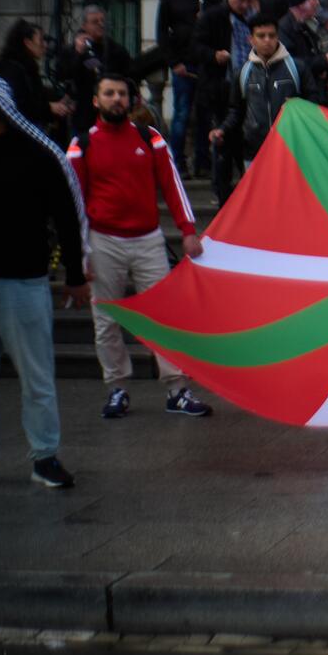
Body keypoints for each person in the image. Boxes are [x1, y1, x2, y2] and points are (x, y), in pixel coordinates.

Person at [0, 75, 89, 492]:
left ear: (1, 104)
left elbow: (65, 216)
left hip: (24, 281)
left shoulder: (37, 153)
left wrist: (75, 276)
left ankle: (45, 456)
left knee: (36, 375)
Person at [70, 73, 211, 421]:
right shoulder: (81, 146)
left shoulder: (150, 139)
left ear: (131, 101)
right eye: (109, 93)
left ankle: (177, 390)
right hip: (103, 242)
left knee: (167, 315)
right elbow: (73, 201)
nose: (116, 99)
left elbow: (173, 185)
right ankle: (117, 388)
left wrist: (188, 230)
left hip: (148, 239)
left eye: (121, 93)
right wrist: (80, 252)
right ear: (96, 101)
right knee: (105, 319)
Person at [213, 13, 307, 194]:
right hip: (254, 150)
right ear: (251, 39)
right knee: (259, 203)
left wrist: (299, 105)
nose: (267, 40)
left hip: (291, 151)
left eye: (271, 35)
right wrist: (222, 129)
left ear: (278, 37)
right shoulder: (243, 73)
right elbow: (236, 110)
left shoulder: (296, 68)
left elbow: (315, 103)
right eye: (261, 36)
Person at [191, 0, 260, 202]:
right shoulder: (213, 16)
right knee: (223, 142)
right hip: (221, 88)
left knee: (245, 141)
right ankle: (222, 192)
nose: (244, 5)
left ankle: (249, 190)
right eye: (240, 0)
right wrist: (214, 55)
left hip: (248, 87)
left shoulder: (254, 16)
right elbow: (195, 47)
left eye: (248, 0)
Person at [157, 0, 221, 175]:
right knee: (182, 114)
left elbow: (222, 28)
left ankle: (203, 162)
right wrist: (174, 63)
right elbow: (162, 35)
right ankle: (178, 162)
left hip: (207, 64)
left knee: (205, 115)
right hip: (183, 65)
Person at [53, 5, 134, 136]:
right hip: (83, 115)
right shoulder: (71, 50)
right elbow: (62, 75)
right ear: (84, 25)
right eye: (95, 22)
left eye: (103, 21)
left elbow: (128, 75)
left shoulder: (115, 49)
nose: (101, 25)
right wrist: (78, 54)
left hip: (111, 113)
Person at [0, 19, 69, 132]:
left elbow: (34, 93)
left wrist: (57, 98)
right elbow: (20, 104)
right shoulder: (12, 69)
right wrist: (50, 107)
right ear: (28, 43)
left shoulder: (24, 66)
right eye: (41, 40)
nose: (45, 45)